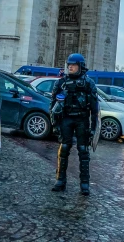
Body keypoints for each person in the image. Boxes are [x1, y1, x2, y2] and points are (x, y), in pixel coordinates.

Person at [51, 53, 99, 196]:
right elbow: (52, 104)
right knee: (64, 148)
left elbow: (95, 110)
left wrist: (93, 129)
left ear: (80, 66)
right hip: (66, 118)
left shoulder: (89, 83)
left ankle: (85, 183)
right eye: (69, 65)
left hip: (82, 119)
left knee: (83, 151)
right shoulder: (60, 83)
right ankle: (60, 180)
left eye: (73, 65)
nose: (70, 67)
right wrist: (55, 124)